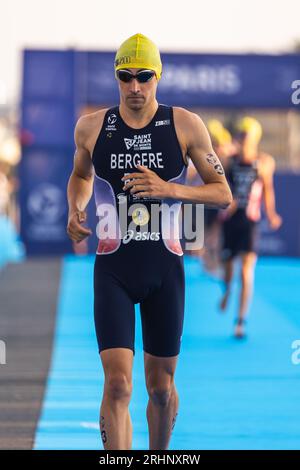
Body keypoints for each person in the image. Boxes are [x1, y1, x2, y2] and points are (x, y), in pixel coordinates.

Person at [66, 33, 232, 450]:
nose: (135, 86)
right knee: (119, 384)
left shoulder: (184, 124)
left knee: (160, 388)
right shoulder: (91, 127)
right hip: (114, 270)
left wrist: (171, 190)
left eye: (144, 76)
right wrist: (75, 207)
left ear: (158, 76)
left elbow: (222, 192)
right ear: (117, 78)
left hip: (164, 268)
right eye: (125, 77)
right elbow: (82, 176)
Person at [219, 116, 282, 338]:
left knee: (246, 269)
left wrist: (272, 213)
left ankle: (240, 320)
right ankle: (226, 289)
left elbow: (268, 189)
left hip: (250, 222)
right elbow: (217, 181)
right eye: (241, 136)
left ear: (255, 138)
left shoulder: (264, 162)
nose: (244, 140)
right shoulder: (229, 160)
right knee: (228, 267)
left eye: (248, 136)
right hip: (230, 221)